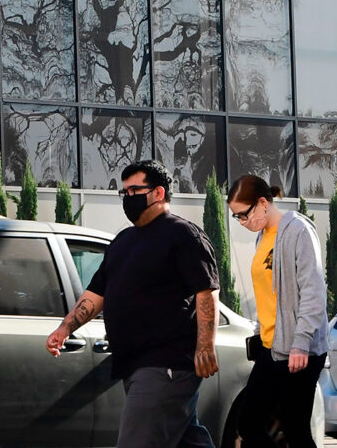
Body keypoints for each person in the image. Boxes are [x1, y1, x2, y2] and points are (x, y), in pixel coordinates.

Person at [46, 159, 221, 448]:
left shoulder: (182, 234)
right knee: (187, 440)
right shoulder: (123, 241)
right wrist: (65, 328)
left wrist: (205, 346)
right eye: (124, 193)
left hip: (166, 363)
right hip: (135, 364)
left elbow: (206, 291)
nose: (128, 198)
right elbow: (96, 294)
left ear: (158, 193)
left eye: (134, 191)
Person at [227, 175, 328, 448]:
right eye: (237, 217)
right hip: (272, 347)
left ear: (262, 203)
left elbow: (313, 291)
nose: (242, 222)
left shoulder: (297, 231)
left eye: (243, 215)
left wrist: (301, 343)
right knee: (248, 423)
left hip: (299, 349)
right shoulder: (263, 235)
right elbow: (268, 293)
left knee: (295, 429)